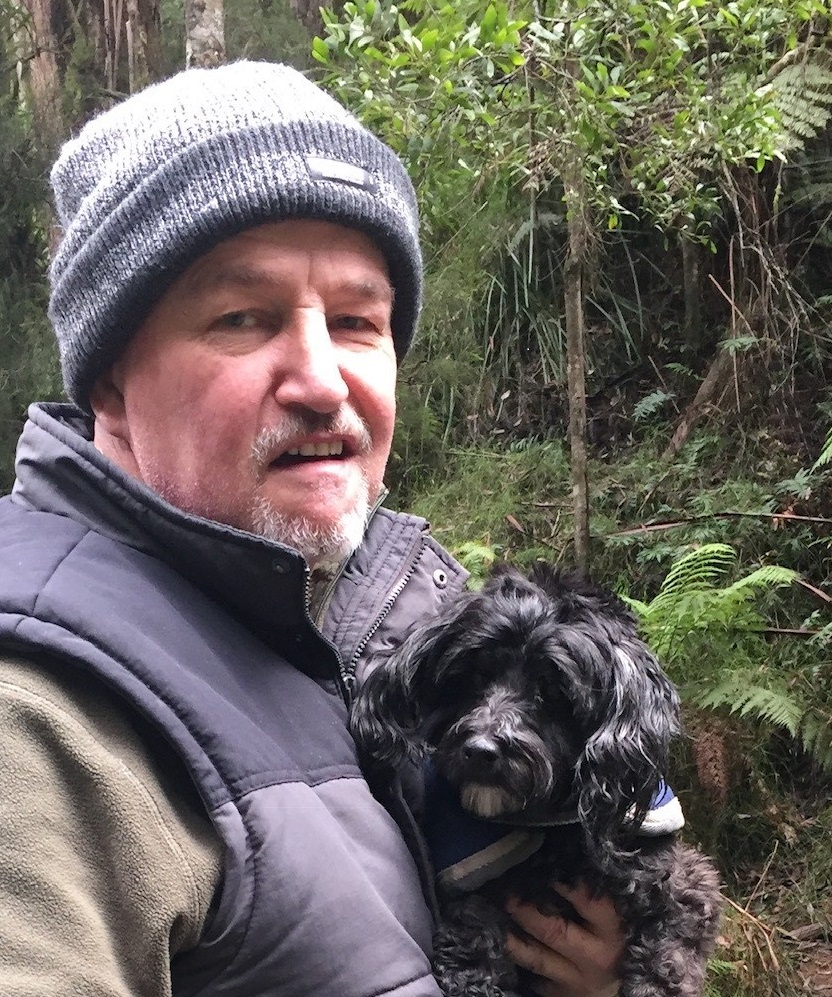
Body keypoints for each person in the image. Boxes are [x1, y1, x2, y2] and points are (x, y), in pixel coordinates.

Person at [0, 61, 624, 997]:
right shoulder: (41, 719)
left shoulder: (399, 617)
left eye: (357, 320)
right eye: (241, 317)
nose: (324, 381)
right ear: (112, 382)